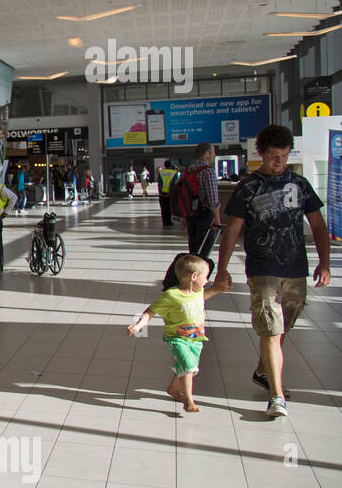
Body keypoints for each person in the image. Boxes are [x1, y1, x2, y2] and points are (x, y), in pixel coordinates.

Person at [214, 125, 331, 419]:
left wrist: (324, 262)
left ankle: (262, 370)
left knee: (284, 325)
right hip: (262, 266)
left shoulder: (300, 185)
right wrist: (223, 269)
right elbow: (233, 229)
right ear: (261, 155)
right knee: (270, 326)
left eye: (283, 156)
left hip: (295, 266)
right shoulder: (249, 187)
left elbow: (317, 225)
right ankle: (276, 395)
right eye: (272, 157)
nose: (278, 162)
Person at [126, 254, 228, 413]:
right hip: (177, 338)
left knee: (190, 369)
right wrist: (138, 326)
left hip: (196, 338)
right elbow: (150, 312)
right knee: (188, 365)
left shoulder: (197, 291)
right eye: (206, 276)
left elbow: (203, 296)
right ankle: (189, 400)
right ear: (194, 276)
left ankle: (172, 388)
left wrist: (216, 289)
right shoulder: (171, 295)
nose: (207, 280)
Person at [182, 143, 221, 258]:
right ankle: (201, 273)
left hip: (190, 214)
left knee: (193, 248)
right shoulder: (207, 171)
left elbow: (183, 195)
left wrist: (183, 215)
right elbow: (212, 197)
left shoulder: (188, 170)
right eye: (213, 152)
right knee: (204, 249)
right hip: (205, 214)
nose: (215, 155)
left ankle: (191, 272)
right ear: (207, 154)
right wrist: (217, 217)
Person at [157, 160, 179, 227]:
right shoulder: (174, 173)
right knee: (169, 208)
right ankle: (169, 221)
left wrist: (160, 192)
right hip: (170, 194)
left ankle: (164, 221)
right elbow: (175, 184)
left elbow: (159, 183)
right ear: (170, 165)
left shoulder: (160, 173)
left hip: (162, 193)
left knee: (163, 208)